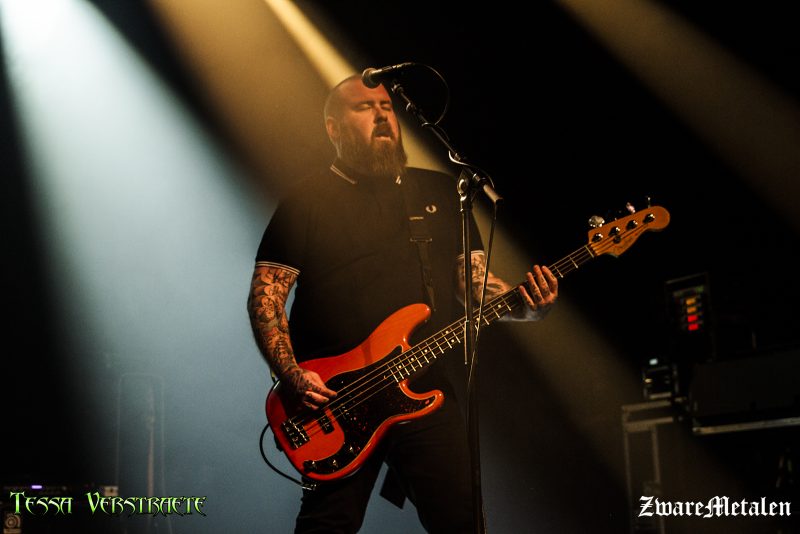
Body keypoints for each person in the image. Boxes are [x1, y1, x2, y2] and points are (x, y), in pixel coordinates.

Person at [247, 74, 558, 533]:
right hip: (334, 400)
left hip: (422, 384)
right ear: (334, 128)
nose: (381, 115)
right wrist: (292, 374)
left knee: (462, 520)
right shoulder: (306, 201)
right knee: (327, 525)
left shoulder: (440, 192)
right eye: (364, 107)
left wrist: (527, 305)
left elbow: (473, 286)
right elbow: (266, 297)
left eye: (387, 107)